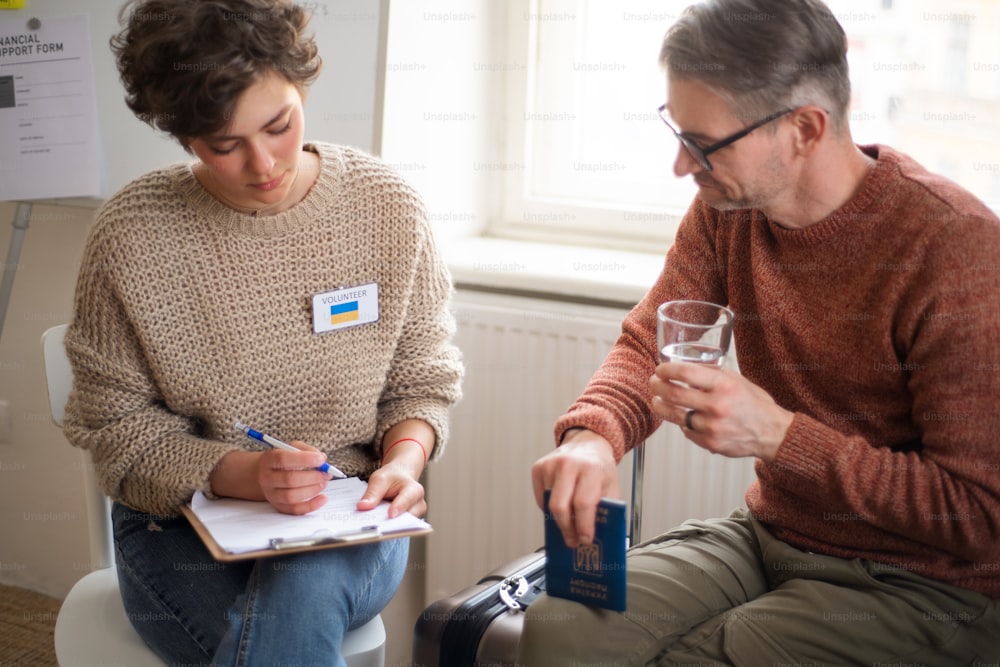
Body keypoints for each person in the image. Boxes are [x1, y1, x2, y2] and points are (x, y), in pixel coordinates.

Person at [517, 0, 1000, 664]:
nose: (682, 167)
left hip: (927, 581)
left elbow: (977, 513)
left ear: (804, 128)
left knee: (707, 653)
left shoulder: (954, 246)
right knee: (563, 622)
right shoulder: (729, 207)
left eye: (704, 144)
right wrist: (593, 438)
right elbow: (650, 340)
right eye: (677, 133)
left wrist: (781, 435)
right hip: (772, 535)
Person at [61, 0, 463, 664]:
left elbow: (421, 380)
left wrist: (402, 461)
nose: (262, 163)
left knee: (298, 595)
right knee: (272, 636)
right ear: (183, 134)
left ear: (301, 83)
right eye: (224, 144)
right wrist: (245, 474)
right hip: (177, 526)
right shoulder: (131, 236)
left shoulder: (387, 207)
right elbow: (116, 431)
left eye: (278, 125)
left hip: (351, 518)